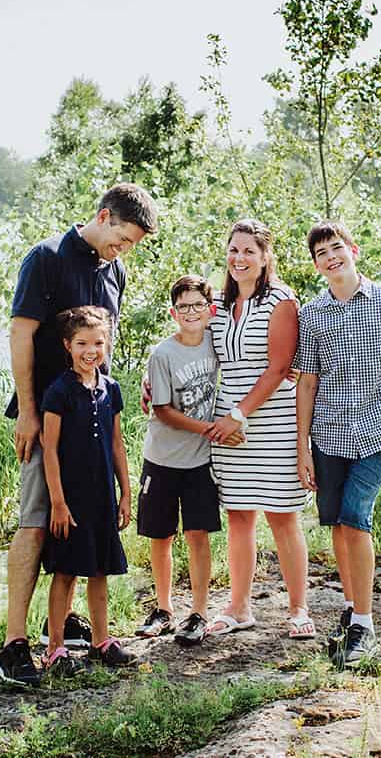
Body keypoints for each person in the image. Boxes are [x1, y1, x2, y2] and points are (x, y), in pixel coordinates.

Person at [0, 183, 157, 687]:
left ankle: (61, 624)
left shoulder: (115, 270)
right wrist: (27, 411)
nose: (122, 251)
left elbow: (102, 344)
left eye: (131, 246)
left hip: (91, 417)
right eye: (121, 239)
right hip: (46, 417)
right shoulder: (45, 259)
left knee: (83, 521)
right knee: (36, 521)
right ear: (103, 216)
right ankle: (14, 644)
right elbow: (22, 334)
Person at [294, 221, 381, 669]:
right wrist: (302, 446)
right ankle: (350, 607)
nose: (331, 257)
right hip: (327, 435)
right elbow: (307, 382)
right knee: (337, 524)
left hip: (373, 433)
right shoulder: (312, 314)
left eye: (336, 248)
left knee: (356, 518)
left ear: (353, 250)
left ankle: (365, 625)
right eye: (321, 253)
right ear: (316, 265)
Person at [203, 219, 313, 639]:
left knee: (282, 515)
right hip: (231, 426)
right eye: (234, 249)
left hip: (273, 421)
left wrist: (240, 413)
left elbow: (279, 369)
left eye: (249, 251)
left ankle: (298, 608)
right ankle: (239, 607)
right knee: (238, 515)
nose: (239, 258)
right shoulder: (217, 302)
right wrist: (153, 381)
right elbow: (195, 345)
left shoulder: (281, 300)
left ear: (266, 257)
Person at [38, 305, 137, 675]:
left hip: (102, 498)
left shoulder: (111, 389)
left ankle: (101, 642)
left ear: (106, 344)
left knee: (100, 570)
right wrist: (58, 503)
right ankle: (55, 649)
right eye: (82, 343)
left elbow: (117, 444)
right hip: (71, 500)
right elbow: (49, 450)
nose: (90, 350)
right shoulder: (59, 391)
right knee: (65, 571)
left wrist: (125, 493)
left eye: (98, 342)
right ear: (68, 345)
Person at [134, 275, 221, 648]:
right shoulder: (163, 354)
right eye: (183, 306)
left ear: (210, 310)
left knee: (198, 535)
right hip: (162, 459)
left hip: (199, 463)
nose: (191, 312)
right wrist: (209, 429)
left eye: (198, 305)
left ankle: (199, 612)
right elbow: (163, 410)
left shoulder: (217, 342)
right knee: (161, 536)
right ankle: (163, 608)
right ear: (173, 313)